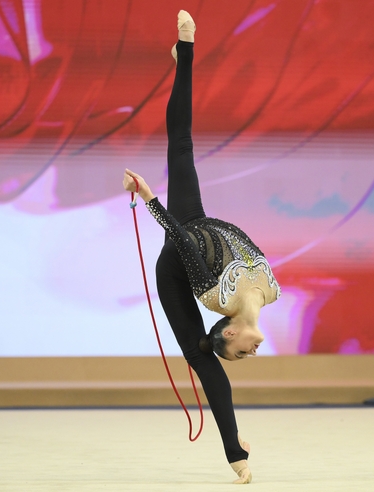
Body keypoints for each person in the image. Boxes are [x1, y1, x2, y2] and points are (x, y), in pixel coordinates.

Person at [122, 10, 280, 484]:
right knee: (183, 144)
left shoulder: (218, 297)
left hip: (179, 254)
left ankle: (233, 450)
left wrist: (151, 199)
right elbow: (241, 240)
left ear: (229, 334)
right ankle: (182, 57)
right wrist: (210, 225)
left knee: (198, 355)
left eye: (242, 354)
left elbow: (182, 241)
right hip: (198, 225)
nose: (253, 352)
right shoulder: (272, 292)